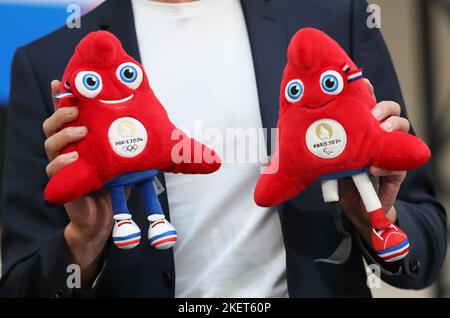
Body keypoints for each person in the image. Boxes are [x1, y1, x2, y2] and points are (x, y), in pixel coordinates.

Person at [0, 0, 446, 297]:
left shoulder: (331, 18)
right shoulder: (49, 64)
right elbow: (20, 282)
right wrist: (84, 241)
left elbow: (424, 245)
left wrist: (376, 217)